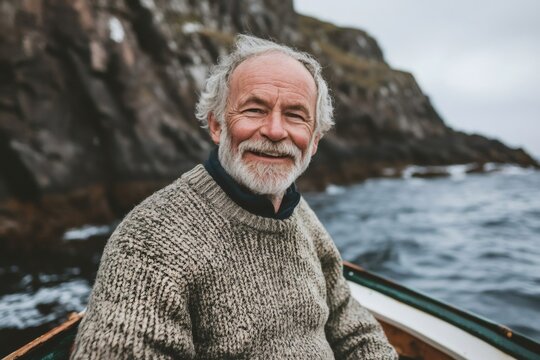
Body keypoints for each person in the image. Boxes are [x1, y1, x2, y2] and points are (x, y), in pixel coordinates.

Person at [71, 34, 398, 359]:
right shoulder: (149, 242)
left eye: (295, 115)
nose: (274, 131)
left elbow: (355, 330)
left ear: (314, 140)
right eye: (255, 109)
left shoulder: (299, 214)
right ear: (216, 125)